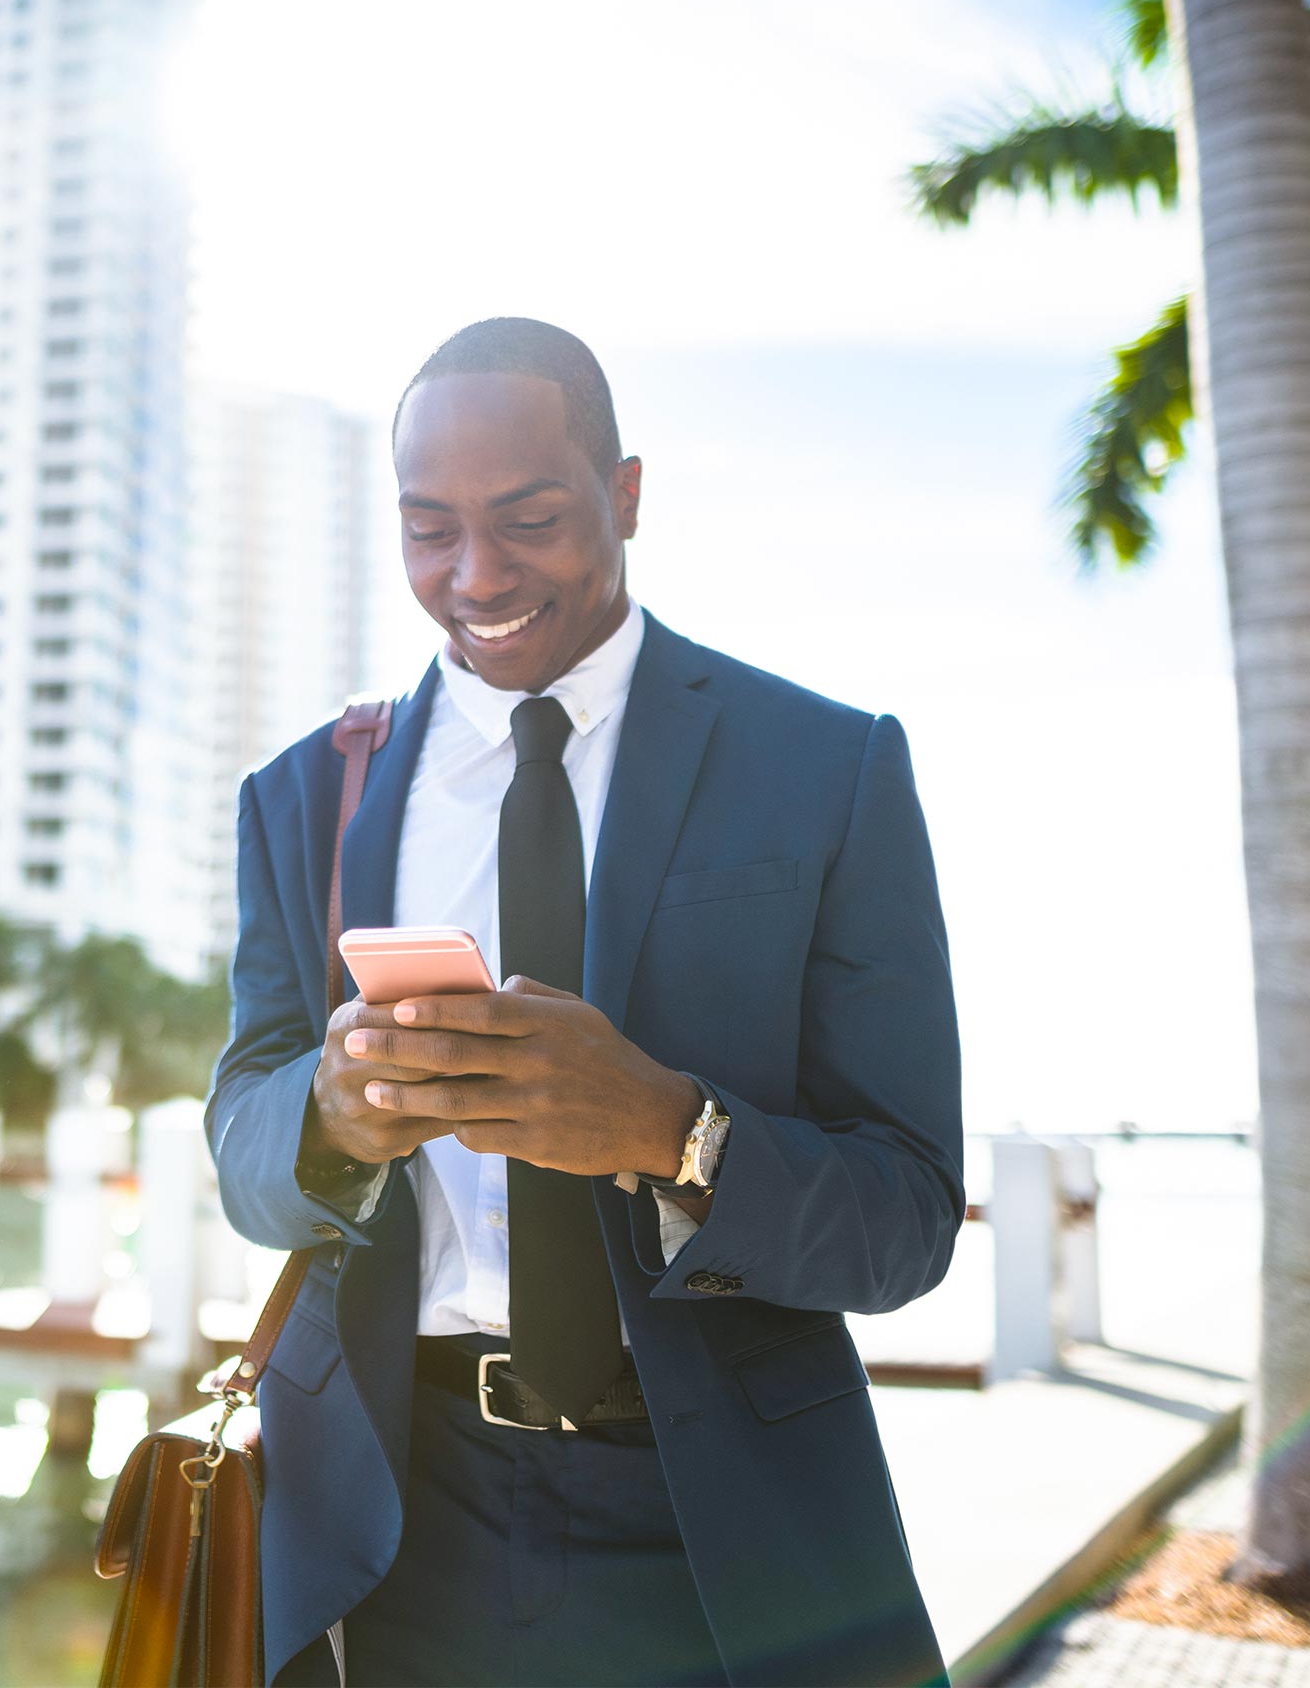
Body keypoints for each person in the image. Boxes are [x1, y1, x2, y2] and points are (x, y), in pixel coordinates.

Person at [204, 317, 964, 1688]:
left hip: (726, 1533)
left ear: (623, 494)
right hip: (383, 1518)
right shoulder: (305, 796)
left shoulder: (826, 767)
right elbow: (248, 1162)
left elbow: (906, 1221)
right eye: (428, 529)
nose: (474, 576)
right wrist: (324, 1114)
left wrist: (676, 1132)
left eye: (530, 519)